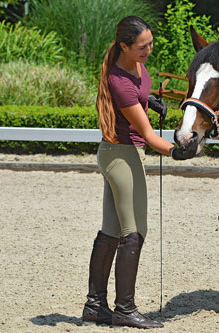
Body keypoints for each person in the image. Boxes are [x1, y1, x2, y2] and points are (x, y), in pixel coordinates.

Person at [82, 15, 198, 329]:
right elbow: (147, 135)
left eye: (150, 43)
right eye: (142, 46)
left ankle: (95, 306)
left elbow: (138, 103)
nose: (148, 50)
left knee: (110, 231)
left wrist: (150, 101)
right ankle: (125, 310)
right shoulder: (119, 81)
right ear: (124, 46)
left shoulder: (136, 65)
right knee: (133, 232)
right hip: (121, 156)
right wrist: (175, 151)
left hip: (118, 153)